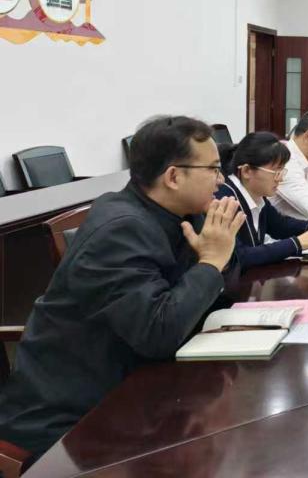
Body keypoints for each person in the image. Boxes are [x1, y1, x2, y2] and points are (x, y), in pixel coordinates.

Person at [0, 116, 244, 460]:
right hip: (74, 413)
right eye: (214, 169)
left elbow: (223, 283)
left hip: (139, 382)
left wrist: (218, 257)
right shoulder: (120, 229)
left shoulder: (185, 212)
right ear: (174, 177)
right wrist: (210, 262)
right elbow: (158, 332)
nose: (221, 180)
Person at [215, 132, 308, 270]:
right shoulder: (225, 200)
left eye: (282, 171)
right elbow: (239, 257)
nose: (280, 179)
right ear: (247, 171)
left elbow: (279, 225)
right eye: (276, 172)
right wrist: (297, 244)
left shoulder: (256, 194)